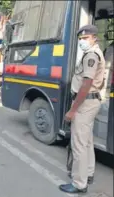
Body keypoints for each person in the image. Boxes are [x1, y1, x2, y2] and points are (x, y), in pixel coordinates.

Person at [59, 24, 105, 194]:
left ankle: (79, 183)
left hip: (85, 103)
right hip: (91, 102)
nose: (82, 42)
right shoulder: (93, 53)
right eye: (80, 39)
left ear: (94, 38)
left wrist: (73, 110)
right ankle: (89, 173)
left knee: (78, 144)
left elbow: (86, 84)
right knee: (86, 141)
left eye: (85, 38)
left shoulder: (91, 55)